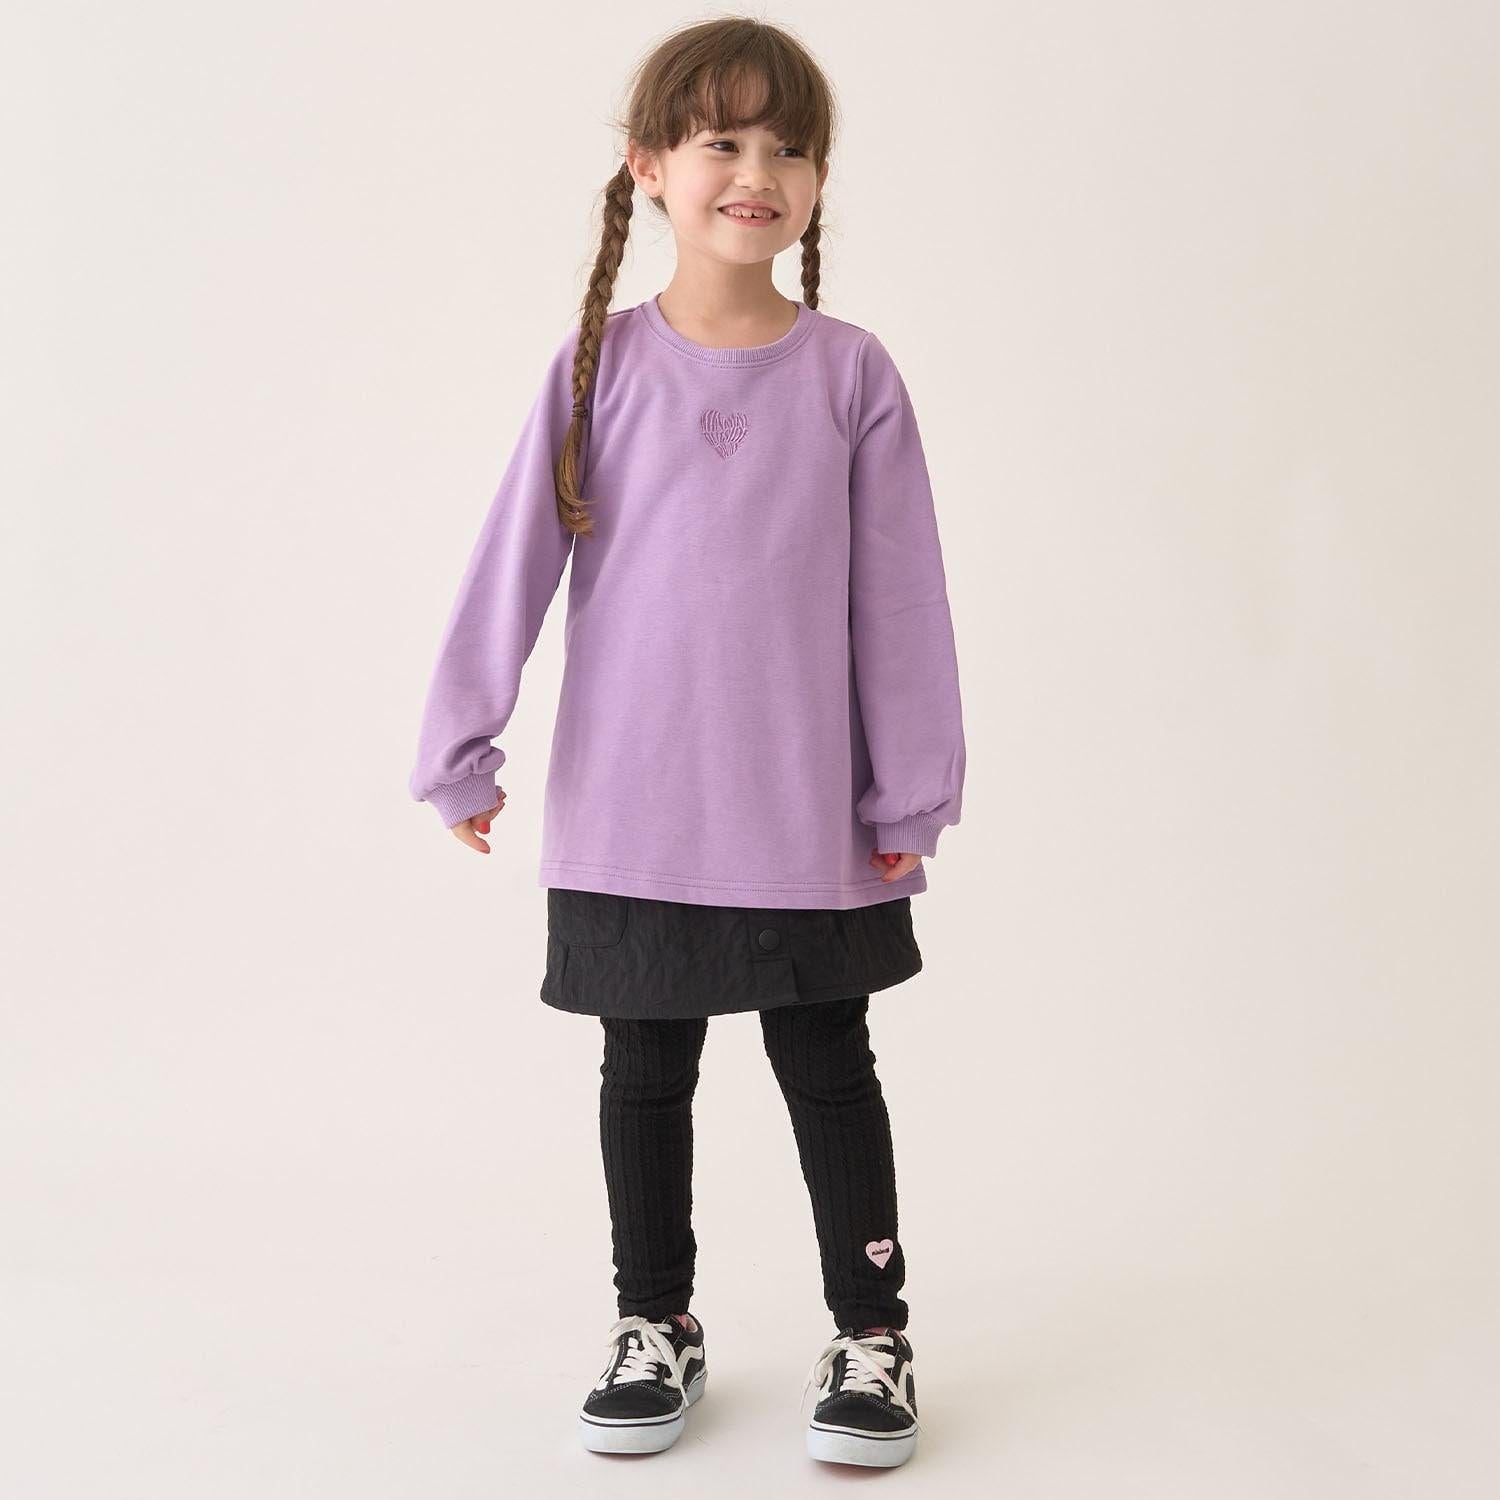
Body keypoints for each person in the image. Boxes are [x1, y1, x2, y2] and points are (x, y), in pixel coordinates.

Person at [407, 15, 964, 1470]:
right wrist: (461, 747)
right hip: (636, 811)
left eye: (789, 146)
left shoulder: (852, 374)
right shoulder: (596, 370)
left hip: (806, 816)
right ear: (650, 164)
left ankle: (873, 1335)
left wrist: (910, 791)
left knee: (828, 1064)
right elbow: (512, 564)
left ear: (819, 177)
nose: (757, 172)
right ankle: (654, 1322)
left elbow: (902, 596)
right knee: (643, 1073)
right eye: (723, 140)